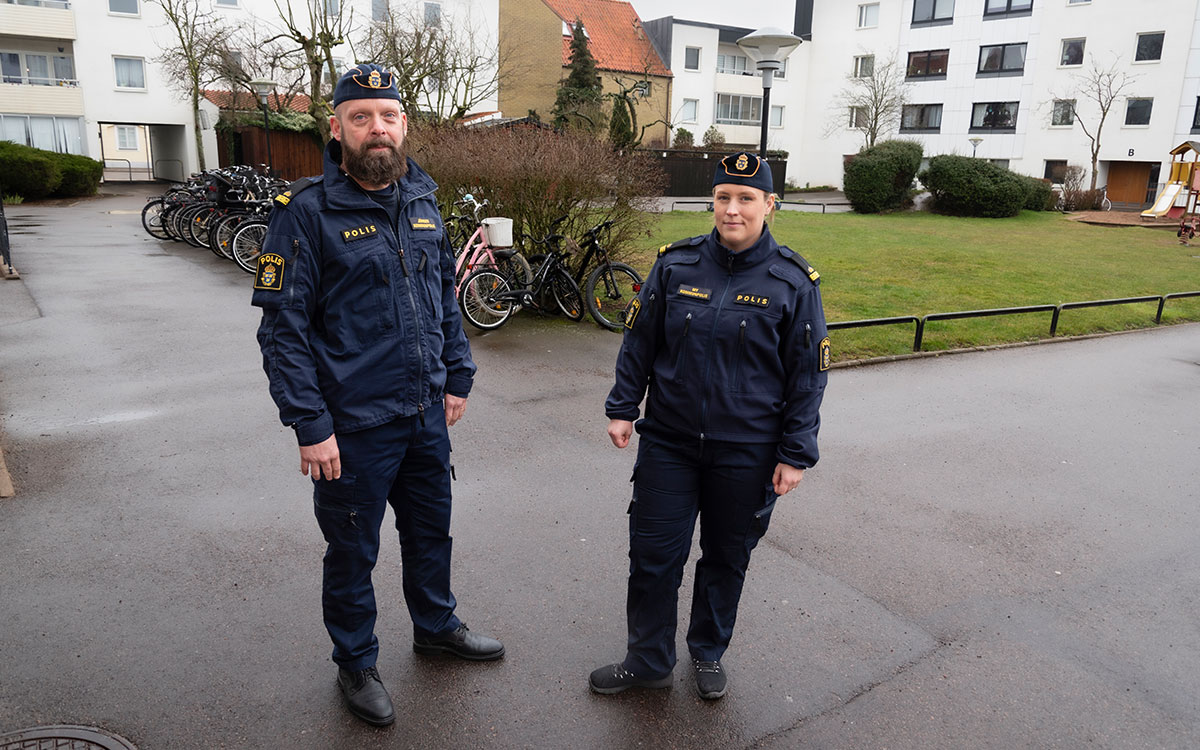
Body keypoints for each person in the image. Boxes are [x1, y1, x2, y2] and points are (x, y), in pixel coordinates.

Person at [252, 63, 503, 728]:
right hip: (352, 427)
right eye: (361, 117)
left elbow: (443, 302)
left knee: (430, 534)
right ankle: (356, 664)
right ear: (336, 128)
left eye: (387, 115)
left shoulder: (422, 200)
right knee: (353, 551)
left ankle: (435, 626)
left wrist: (457, 374)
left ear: (404, 125)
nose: (377, 129)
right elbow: (281, 334)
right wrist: (310, 425)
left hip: (424, 416)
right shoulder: (304, 215)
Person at [591, 151, 829, 700]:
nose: (732, 209)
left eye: (746, 198)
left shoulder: (792, 282)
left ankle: (707, 650)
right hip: (669, 442)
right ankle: (647, 658)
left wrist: (795, 453)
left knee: (725, 558)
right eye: (723, 197)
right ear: (712, 202)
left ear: (770, 205)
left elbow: (807, 376)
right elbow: (641, 341)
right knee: (653, 557)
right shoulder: (676, 265)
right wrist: (624, 406)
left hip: (747, 452)